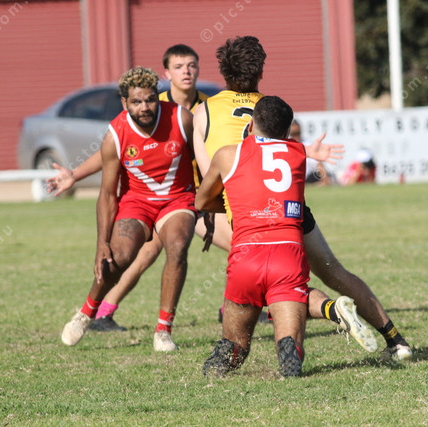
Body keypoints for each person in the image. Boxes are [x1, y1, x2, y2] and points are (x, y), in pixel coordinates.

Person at [193, 35, 412, 362]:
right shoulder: (271, 107)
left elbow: (209, 179)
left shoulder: (202, 113)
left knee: (262, 281)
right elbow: (285, 153)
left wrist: (210, 215)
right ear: (261, 72)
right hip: (290, 209)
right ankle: (396, 341)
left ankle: (319, 314)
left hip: (248, 215)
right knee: (334, 272)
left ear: (222, 71)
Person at [48, 45, 230, 333]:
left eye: (191, 65)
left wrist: (211, 201)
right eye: (179, 66)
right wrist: (76, 174)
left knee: (213, 245)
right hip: (146, 199)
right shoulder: (147, 106)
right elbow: (114, 154)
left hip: (190, 196)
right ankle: (100, 311)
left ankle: (226, 308)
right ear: (167, 74)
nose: (186, 71)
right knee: (134, 254)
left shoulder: (205, 109)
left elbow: (216, 151)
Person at [197, 96, 376, 377]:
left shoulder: (227, 154)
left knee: (234, 347)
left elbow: (201, 201)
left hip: (247, 253)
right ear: (287, 131)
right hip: (288, 253)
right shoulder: (297, 152)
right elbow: (290, 150)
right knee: (291, 338)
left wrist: (239, 204)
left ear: (251, 124)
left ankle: (227, 356)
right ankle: (297, 341)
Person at [60, 67, 197, 352]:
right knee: (117, 258)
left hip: (177, 199)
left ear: (157, 97)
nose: (145, 107)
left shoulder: (182, 119)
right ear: (125, 103)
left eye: (150, 100)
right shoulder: (116, 134)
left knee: (177, 246)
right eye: (137, 101)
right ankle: (86, 312)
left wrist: (211, 205)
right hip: (137, 201)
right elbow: (107, 194)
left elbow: (205, 163)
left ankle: (163, 331)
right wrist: (101, 243)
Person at [290, 120, 333, 186]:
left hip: (309, 176)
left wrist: (325, 178)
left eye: (298, 133)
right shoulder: (287, 145)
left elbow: (318, 163)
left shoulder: (307, 143)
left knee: (318, 174)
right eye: (294, 134)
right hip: (293, 176)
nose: (296, 137)